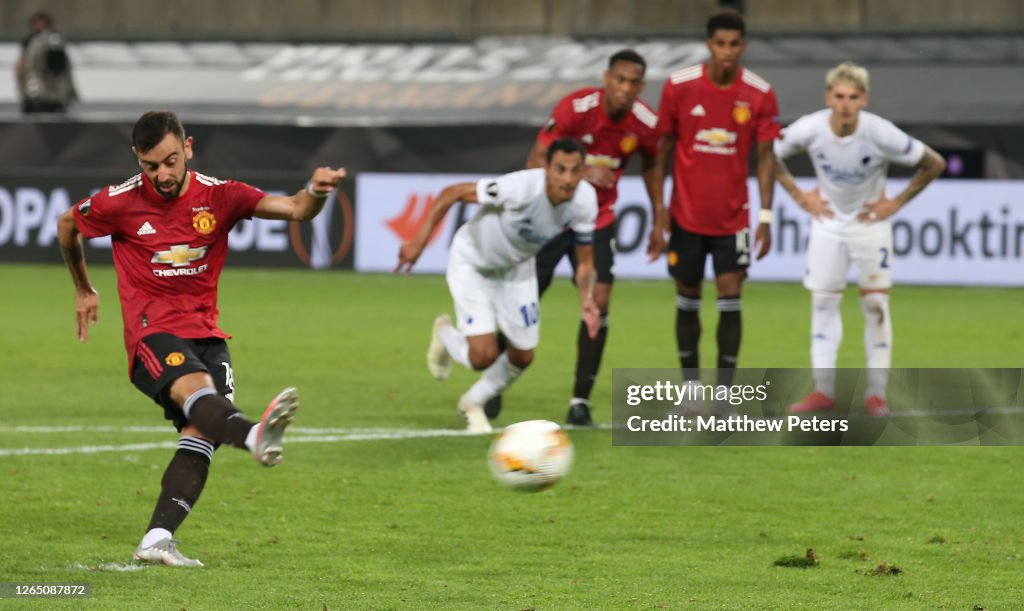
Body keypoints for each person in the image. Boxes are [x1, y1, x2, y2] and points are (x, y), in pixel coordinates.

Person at [56, 110, 346, 567]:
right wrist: (83, 288)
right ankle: (253, 435)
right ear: (138, 159)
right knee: (200, 394)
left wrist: (315, 192)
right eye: (151, 166)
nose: (163, 175)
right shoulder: (119, 202)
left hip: (208, 334)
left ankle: (157, 538)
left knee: (201, 434)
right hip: (152, 334)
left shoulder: (221, 195)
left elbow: (294, 209)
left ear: (187, 147)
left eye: (171, 161)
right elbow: (68, 225)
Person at [485, 48, 664, 426]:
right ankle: (494, 383)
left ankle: (580, 400)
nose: (625, 89)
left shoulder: (646, 122)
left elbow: (653, 164)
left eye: (634, 83)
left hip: (597, 221)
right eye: (619, 80)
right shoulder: (576, 108)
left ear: (641, 87)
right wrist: (581, 175)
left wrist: (659, 219)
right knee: (526, 300)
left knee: (599, 301)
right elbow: (536, 160)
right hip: (552, 219)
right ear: (606, 79)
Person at [774, 62, 946, 417]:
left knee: (875, 307)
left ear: (864, 99)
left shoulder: (880, 132)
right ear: (828, 97)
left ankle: (876, 395)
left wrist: (895, 202)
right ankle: (822, 391)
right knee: (822, 304)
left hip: (869, 227)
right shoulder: (810, 128)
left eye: (853, 97)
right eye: (839, 96)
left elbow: (935, 163)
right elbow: (766, 151)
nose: (845, 104)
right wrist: (799, 196)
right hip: (827, 225)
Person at [395, 138, 600, 433]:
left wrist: (587, 299)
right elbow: (452, 193)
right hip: (473, 264)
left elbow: (585, 262)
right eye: (560, 169)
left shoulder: (585, 200)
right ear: (547, 169)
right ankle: (444, 333)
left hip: (517, 270)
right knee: (482, 357)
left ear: (583, 171)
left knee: (523, 355)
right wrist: (418, 241)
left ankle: (472, 402)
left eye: (575, 170)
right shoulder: (519, 187)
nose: (568, 179)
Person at [651, 11, 780, 416]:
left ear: (743, 46)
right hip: (686, 216)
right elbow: (661, 153)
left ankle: (723, 399)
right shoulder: (678, 87)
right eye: (720, 44)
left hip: (734, 219)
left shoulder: (759, 94)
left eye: (734, 44)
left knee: (730, 298)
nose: (727, 52)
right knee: (687, 300)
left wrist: (765, 217)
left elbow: (765, 158)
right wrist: (659, 214)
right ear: (709, 44)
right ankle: (691, 395)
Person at [15, 11, 77, 113]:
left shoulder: (50, 42)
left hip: (43, 93)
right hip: (40, 93)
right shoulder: (31, 42)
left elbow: (61, 68)